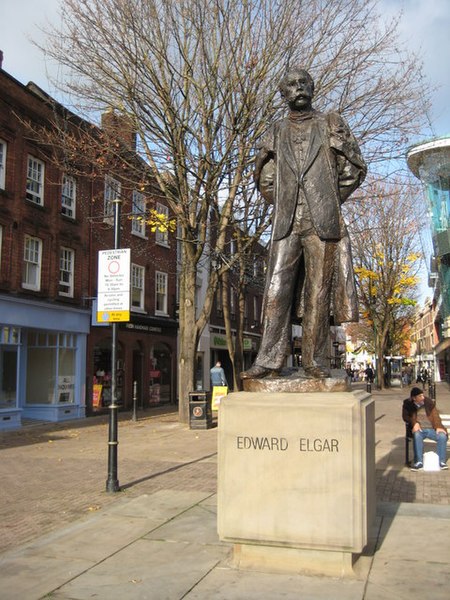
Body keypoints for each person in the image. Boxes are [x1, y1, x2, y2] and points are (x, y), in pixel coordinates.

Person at [241, 67, 366, 380]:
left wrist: (329, 199)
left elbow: (354, 168)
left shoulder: (330, 123)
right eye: (291, 85)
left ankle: (315, 361)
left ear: (312, 87)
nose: (298, 88)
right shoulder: (275, 130)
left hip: (321, 222)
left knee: (318, 292)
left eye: (303, 83)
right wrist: (281, 199)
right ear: (284, 94)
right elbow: (264, 177)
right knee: (275, 290)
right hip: (286, 222)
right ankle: (269, 360)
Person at [402, 386, 448, 471]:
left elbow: (436, 415)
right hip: (419, 429)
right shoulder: (408, 404)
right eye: (420, 396)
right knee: (417, 435)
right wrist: (414, 423)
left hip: (431, 429)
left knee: (442, 436)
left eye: (423, 395)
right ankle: (419, 462)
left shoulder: (428, 402)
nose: (423, 398)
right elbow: (405, 417)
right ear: (414, 398)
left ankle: (441, 462)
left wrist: (438, 426)